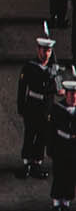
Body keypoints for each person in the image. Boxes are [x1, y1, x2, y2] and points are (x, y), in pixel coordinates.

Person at [18, 32, 60, 179]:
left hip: (46, 108)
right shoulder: (30, 66)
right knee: (30, 134)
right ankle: (26, 162)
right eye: (43, 50)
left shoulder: (53, 69)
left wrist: (56, 78)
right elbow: (22, 88)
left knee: (42, 136)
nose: (45, 53)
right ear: (38, 50)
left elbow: (59, 89)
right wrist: (21, 106)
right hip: (32, 105)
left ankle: (37, 162)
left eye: (48, 51)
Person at [49, 74, 76, 209]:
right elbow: (51, 130)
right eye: (71, 94)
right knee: (59, 173)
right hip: (61, 144)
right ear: (66, 95)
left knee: (71, 174)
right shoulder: (58, 108)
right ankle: (57, 200)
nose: (74, 97)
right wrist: (50, 148)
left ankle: (66, 200)